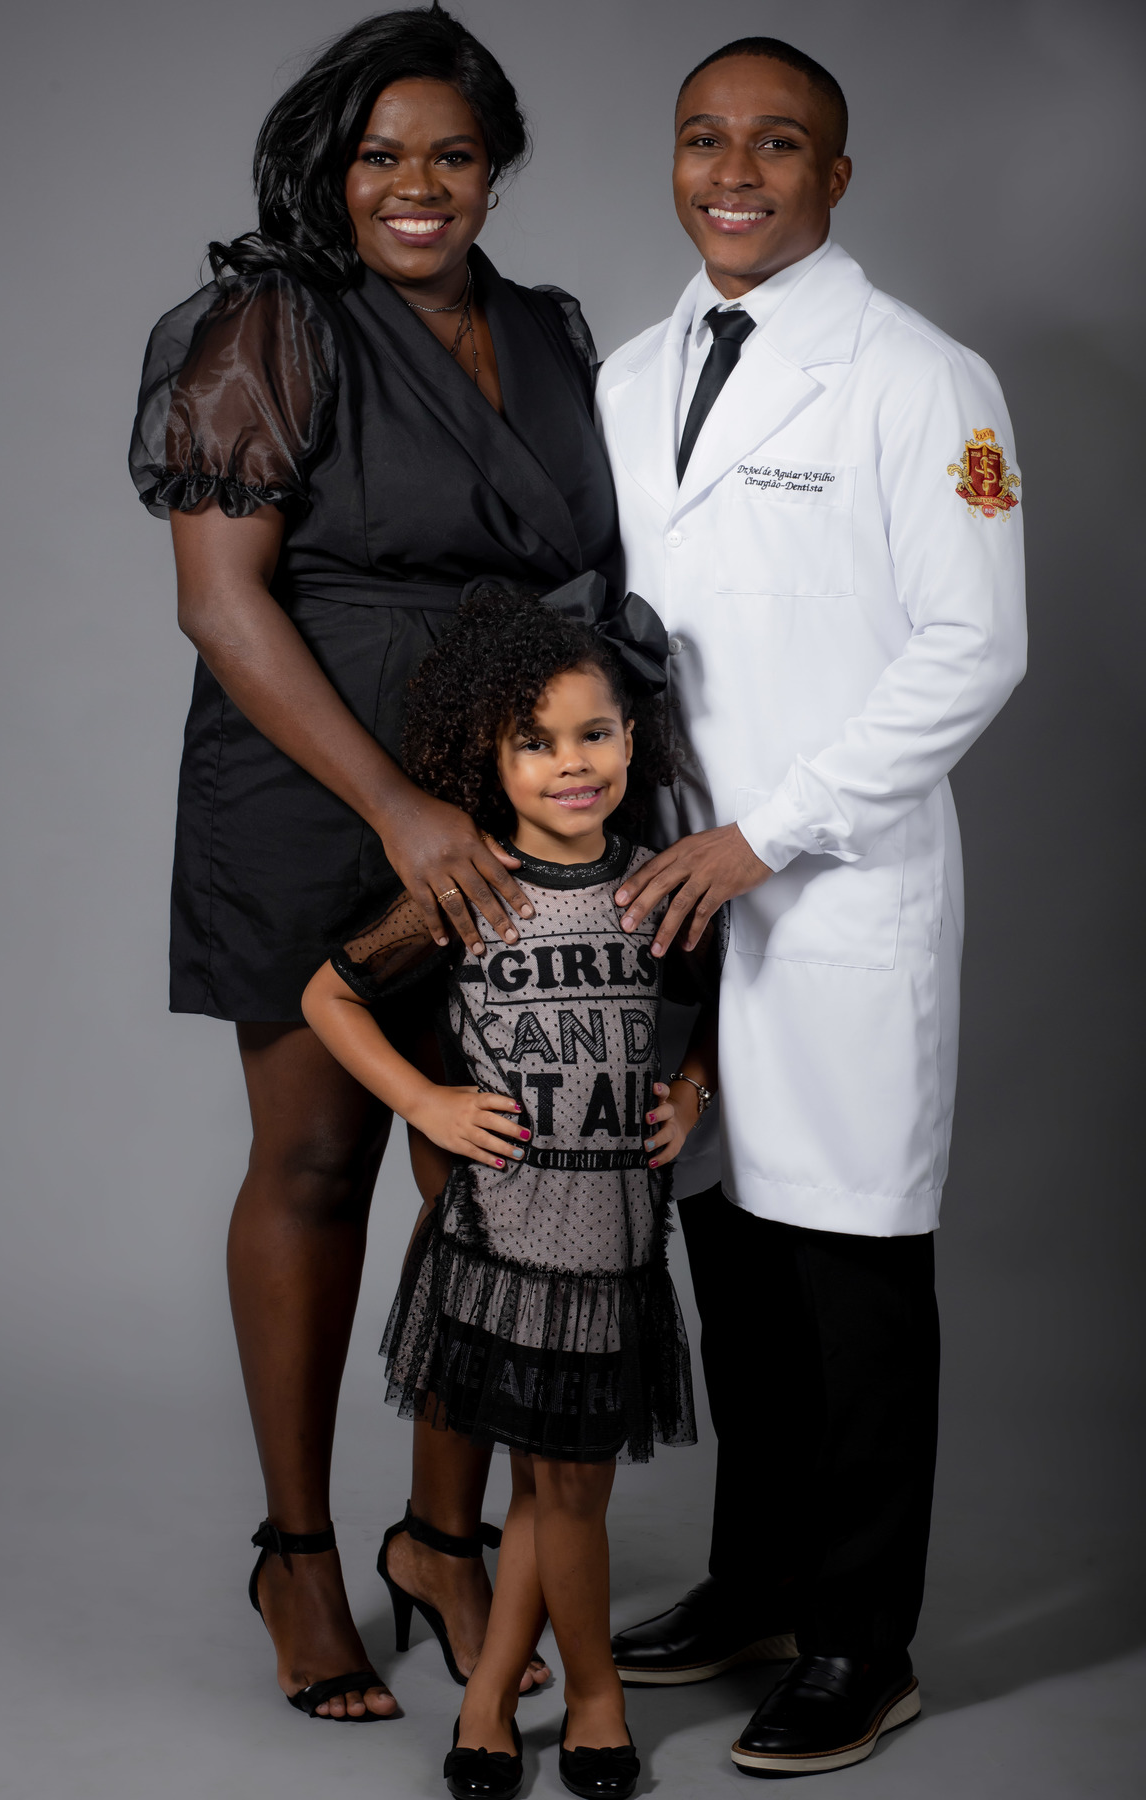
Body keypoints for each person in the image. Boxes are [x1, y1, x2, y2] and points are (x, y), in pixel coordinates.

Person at [128, 7, 620, 1722]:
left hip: (509, 797)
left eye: (453, 155)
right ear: (331, 171)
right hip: (307, 784)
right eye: (379, 155)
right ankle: (297, 1552)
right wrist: (398, 807)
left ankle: (441, 1537)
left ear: (497, 168)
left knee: (491, 1180)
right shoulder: (270, 322)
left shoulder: (551, 330)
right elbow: (220, 602)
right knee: (320, 1159)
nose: (417, 185)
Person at [596, 36, 1027, 1777]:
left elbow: (974, 648)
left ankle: (864, 1642)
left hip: (831, 890)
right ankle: (759, 1582)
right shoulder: (633, 375)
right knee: (730, 1255)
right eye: (704, 138)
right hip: (668, 886)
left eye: (778, 144)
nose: (735, 171)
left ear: (835, 177)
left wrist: (767, 835)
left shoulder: (920, 377)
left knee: (848, 1271)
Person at [303, 583, 715, 1800]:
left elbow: (721, 1012)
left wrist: (691, 1091)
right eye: (535, 743)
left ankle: (491, 1695)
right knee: (557, 1485)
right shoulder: (471, 888)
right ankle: (594, 1697)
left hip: (615, 1252)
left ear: (633, 740)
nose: (571, 763)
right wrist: (426, 1105)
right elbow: (330, 994)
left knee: (555, 1484)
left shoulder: (657, 890)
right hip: (502, 1247)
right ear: (487, 759)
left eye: (594, 734)